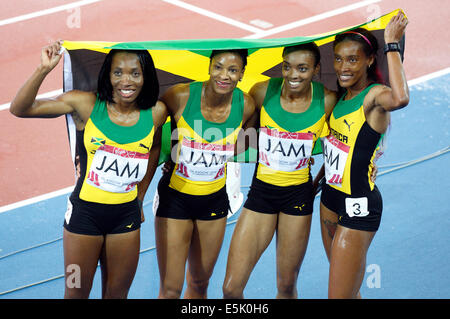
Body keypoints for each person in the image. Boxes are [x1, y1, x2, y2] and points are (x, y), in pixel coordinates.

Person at [10, 41, 167, 298]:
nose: (126, 81)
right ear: (107, 74)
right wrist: (43, 69)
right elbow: (21, 109)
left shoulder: (157, 112)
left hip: (126, 217)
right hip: (84, 217)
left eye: (135, 73)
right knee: (75, 293)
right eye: (118, 73)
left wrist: (140, 196)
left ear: (145, 76)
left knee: (117, 295)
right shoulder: (84, 105)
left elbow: (155, 147)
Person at [222, 42, 337, 299]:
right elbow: (243, 140)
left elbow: (344, 142)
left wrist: (322, 178)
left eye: (302, 68)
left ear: (316, 69)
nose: (293, 74)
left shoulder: (327, 100)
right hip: (261, 194)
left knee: (286, 288)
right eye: (287, 66)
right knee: (231, 289)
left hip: (298, 197)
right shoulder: (263, 92)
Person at [317, 11, 409, 298]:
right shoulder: (341, 98)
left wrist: (391, 44)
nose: (343, 66)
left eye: (353, 59)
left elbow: (400, 98)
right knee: (348, 291)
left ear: (370, 60)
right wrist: (318, 180)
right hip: (329, 200)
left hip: (360, 207)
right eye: (339, 59)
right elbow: (337, 149)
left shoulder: (374, 97)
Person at [156, 49, 256, 299]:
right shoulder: (179, 95)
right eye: (219, 67)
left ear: (242, 74)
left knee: (200, 284)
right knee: (170, 290)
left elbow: (245, 143)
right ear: (209, 66)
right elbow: (151, 124)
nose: (224, 75)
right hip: (175, 200)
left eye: (233, 70)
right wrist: (168, 154)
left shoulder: (246, 105)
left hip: (213, 201)